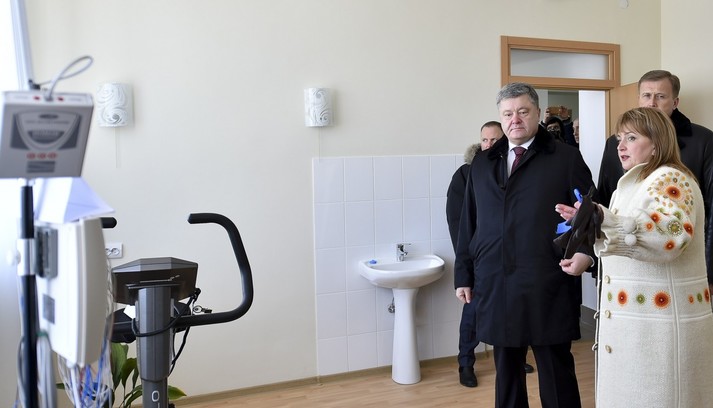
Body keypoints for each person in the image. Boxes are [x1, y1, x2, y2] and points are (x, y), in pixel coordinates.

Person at [559, 107, 713, 407]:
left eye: (631, 138)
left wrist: (601, 218)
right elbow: (625, 237)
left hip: (658, 334)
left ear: (657, 143)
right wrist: (590, 224)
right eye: (620, 138)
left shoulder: (671, 178)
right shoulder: (631, 184)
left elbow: (667, 236)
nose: (620, 146)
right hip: (638, 332)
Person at [454, 82, 594, 408]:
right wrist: (464, 274)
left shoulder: (565, 158)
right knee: (507, 375)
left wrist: (584, 254)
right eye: (507, 114)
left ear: (537, 112)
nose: (514, 119)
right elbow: (468, 223)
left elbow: (589, 214)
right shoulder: (483, 163)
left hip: (547, 281)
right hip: (497, 282)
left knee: (556, 373)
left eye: (522, 111)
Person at [597, 70, 713, 289]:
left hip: (673, 270)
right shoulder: (615, 143)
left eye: (660, 96)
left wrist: (710, 271)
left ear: (675, 102)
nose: (651, 103)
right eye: (646, 95)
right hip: (622, 266)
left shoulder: (704, 141)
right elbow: (606, 197)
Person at [446, 121, 534, 388]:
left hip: (511, 260)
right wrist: (467, 261)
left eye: (494, 140)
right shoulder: (466, 174)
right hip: (479, 259)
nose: (489, 145)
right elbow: (458, 221)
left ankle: (515, 357)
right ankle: (465, 363)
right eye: (484, 140)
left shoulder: (514, 169)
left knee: (513, 312)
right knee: (472, 312)